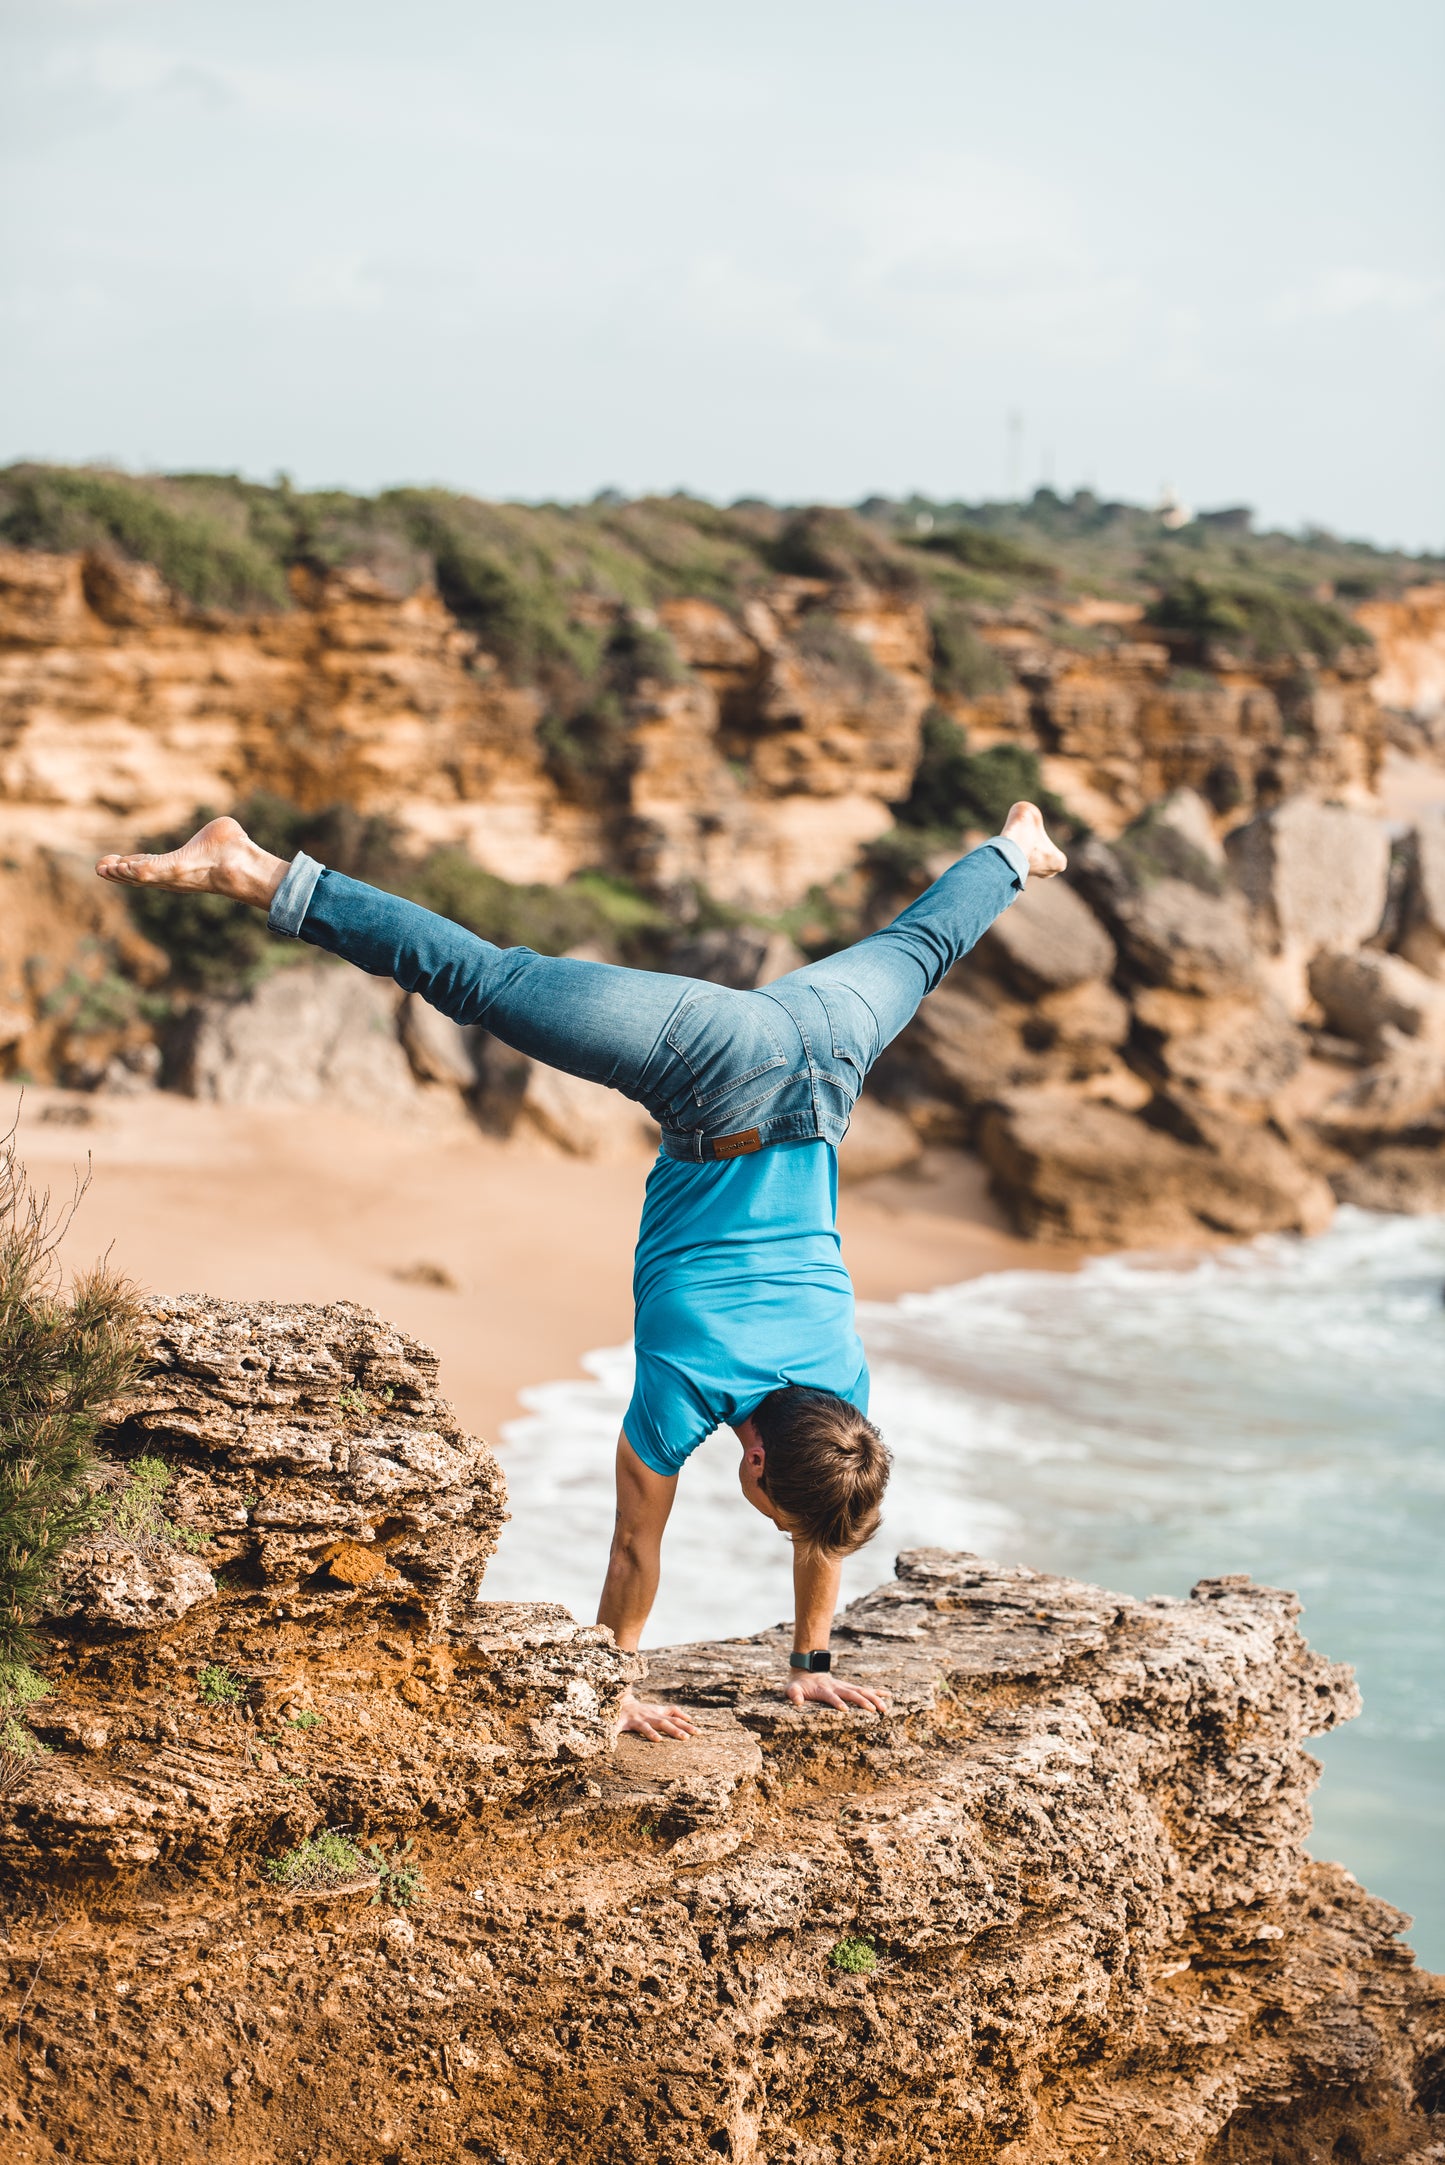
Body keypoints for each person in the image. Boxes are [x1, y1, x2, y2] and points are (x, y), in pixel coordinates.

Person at [96, 801, 1065, 1738]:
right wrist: (612, 1684)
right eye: (773, 1515)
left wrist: (812, 1661)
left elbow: (825, 1513)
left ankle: (1014, 850)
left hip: (826, 1055)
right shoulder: (686, 1388)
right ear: (756, 1463)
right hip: (714, 1077)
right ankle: (248, 867)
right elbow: (634, 1547)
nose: (779, 1524)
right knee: (476, 981)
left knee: (918, 950)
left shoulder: (842, 1396)